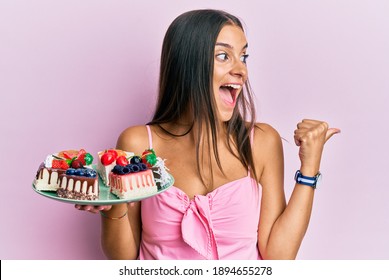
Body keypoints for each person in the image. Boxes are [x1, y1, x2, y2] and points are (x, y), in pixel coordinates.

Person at [76, 9, 340, 260]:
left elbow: (279, 257)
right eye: (223, 56)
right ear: (188, 64)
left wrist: (309, 168)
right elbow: (122, 258)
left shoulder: (260, 142)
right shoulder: (138, 143)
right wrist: (112, 206)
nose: (242, 70)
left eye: (243, 57)